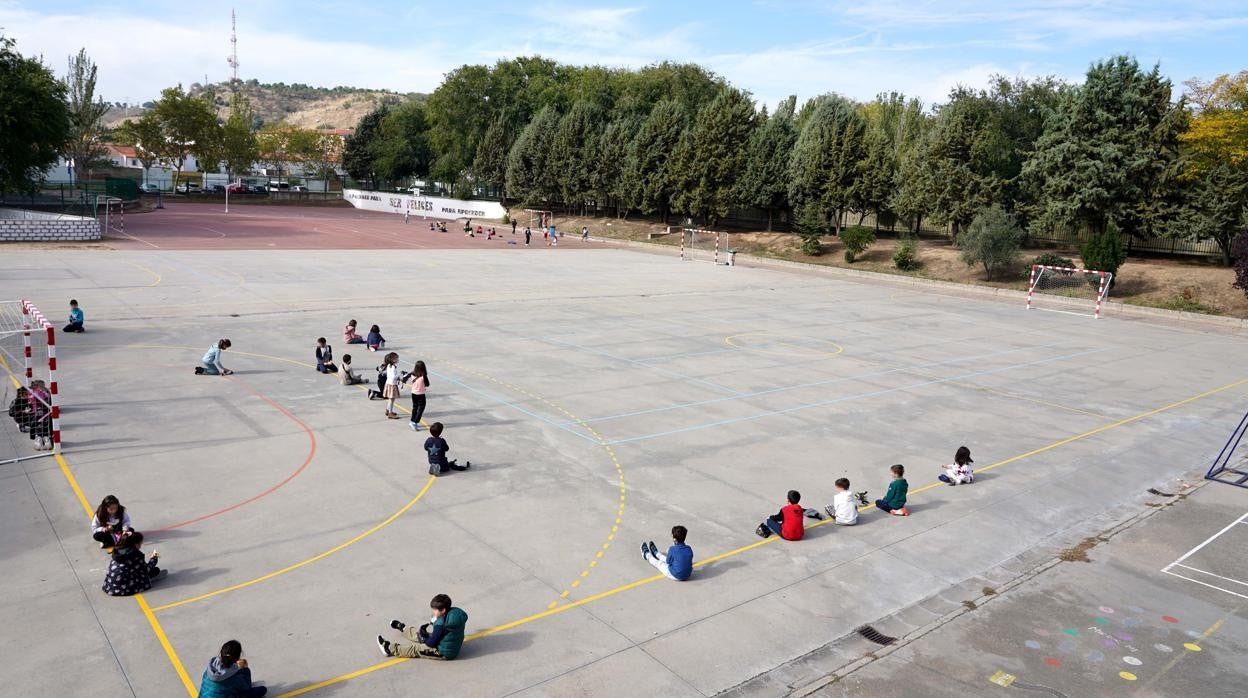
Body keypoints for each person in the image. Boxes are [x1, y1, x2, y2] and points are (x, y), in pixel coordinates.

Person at [377, 594, 468, 660]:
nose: (433, 612)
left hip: (444, 652)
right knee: (422, 634)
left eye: (434, 610)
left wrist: (424, 638)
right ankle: (405, 630)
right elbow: (442, 632)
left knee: (417, 648)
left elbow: (430, 643)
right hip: (449, 644)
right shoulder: (455, 613)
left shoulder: (440, 625)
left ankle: (389, 649)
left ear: (443, 610)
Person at [102, 531, 164, 595]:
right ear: (136, 544)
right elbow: (145, 570)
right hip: (124, 588)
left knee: (130, 570)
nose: (140, 546)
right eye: (140, 544)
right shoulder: (136, 555)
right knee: (155, 570)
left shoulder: (117, 550)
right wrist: (154, 559)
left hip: (110, 586)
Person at [198, 640, 267, 698]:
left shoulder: (209, 669)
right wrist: (244, 668)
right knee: (262, 690)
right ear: (237, 658)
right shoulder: (234, 678)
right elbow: (247, 687)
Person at [26, 380, 53, 450]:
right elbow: (30, 400)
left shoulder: (45, 392)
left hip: (45, 412)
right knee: (37, 425)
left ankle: (46, 439)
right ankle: (38, 439)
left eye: (43, 385)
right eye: (41, 386)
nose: (42, 387)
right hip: (37, 412)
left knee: (45, 425)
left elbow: (49, 399)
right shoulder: (34, 393)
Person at [407, 360, 429, 431]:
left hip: (413, 393)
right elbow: (427, 384)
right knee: (421, 408)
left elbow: (405, 377)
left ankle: (412, 420)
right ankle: (415, 422)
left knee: (415, 407)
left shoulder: (412, 374)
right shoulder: (423, 376)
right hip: (421, 394)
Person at [381, 352, 402, 419]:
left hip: (388, 383)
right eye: (396, 358)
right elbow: (393, 377)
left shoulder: (389, 366)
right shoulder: (393, 367)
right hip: (392, 384)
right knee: (392, 399)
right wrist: (399, 375)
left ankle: (388, 410)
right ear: (393, 360)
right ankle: (390, 413)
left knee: (390, 399)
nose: (398, 359)